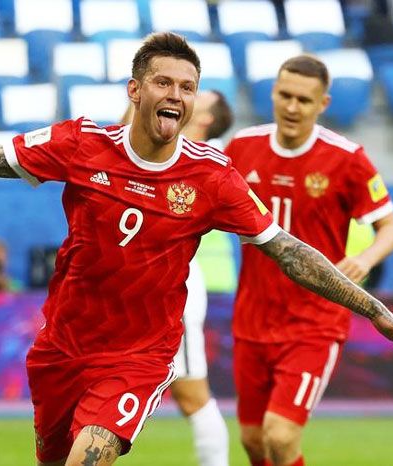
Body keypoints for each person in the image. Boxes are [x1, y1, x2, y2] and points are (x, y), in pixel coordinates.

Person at [0, 33, 393, 466]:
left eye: (188, 87)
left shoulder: (212, 177)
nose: (177, 94)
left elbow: (290, 250)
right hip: (62, 346)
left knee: (92, 457)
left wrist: (375, 310)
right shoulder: (81, 143)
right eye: (164, 81)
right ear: (135, 90)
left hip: (139, 354)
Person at [225, 54, 393, 466]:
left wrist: (365, 258)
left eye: (303, 100)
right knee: (254, 441)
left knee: (281, 435)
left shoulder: (346, 158)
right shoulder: (242, 147)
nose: (292, 107)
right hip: (251, 320)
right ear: (272, 92)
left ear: (322, 104)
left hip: (314, 323)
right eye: (285, 95)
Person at [123, 90, 237, 466]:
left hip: (179, 283)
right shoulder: (160, 150)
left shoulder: (209, 164)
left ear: (205, 120)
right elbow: (124, 140)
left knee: (191, 395)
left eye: (196, 97)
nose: (179, 98)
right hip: (132, 282)